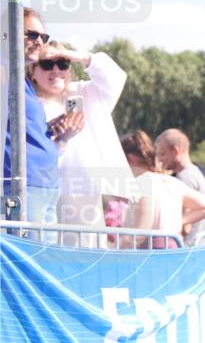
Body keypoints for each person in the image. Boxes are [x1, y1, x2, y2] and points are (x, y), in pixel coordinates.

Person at [28, 41, 138, 247]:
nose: (56, 70)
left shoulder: (84, 93)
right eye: (47, 64)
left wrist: (73, 54)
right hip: (41, 191)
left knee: (86, 256)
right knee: (44, 255)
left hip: (83, 193)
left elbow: (115, 77)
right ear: (32, 70)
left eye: (63, 63)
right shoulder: (25, 102)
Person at [4, 8, 83, 241]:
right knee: (29, 265)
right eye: (32, 35)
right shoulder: (4, 72)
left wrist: (50, 129)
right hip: (21, 186)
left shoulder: (22, 81)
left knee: (42, 260)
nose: (39, 42)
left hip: (44, 184)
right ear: (7, 33)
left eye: (44, 37)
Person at [118, 130, 205, 249]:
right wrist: (178, 222)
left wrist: (113, 248)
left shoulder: (142, 183)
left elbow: (140, 232)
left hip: (149, 256)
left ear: (131, 160)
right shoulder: (171, 181)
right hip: (172, 251)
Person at [155, 129, 205, 245]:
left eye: (162, 154)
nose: (160, 159)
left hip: (188, 247)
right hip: (200, 245)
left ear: (175, 151)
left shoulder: (184, 179)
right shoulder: (195, 173)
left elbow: (185, 227)